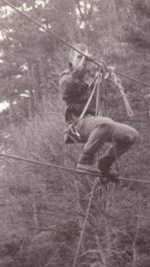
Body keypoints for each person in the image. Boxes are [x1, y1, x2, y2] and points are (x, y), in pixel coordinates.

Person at [59, 43, 139, 181]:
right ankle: (85, 160)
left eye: (85, 57)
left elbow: (108, 95)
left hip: (97, 125)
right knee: (105, 123)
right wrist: (83, 65)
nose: (82, 60)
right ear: (71, 59)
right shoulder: (66, 76)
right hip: (77, 124)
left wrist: (107, 75)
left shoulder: (91, 77)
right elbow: (68, 88)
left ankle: (105, 164)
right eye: (79, 57)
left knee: (132, 135)